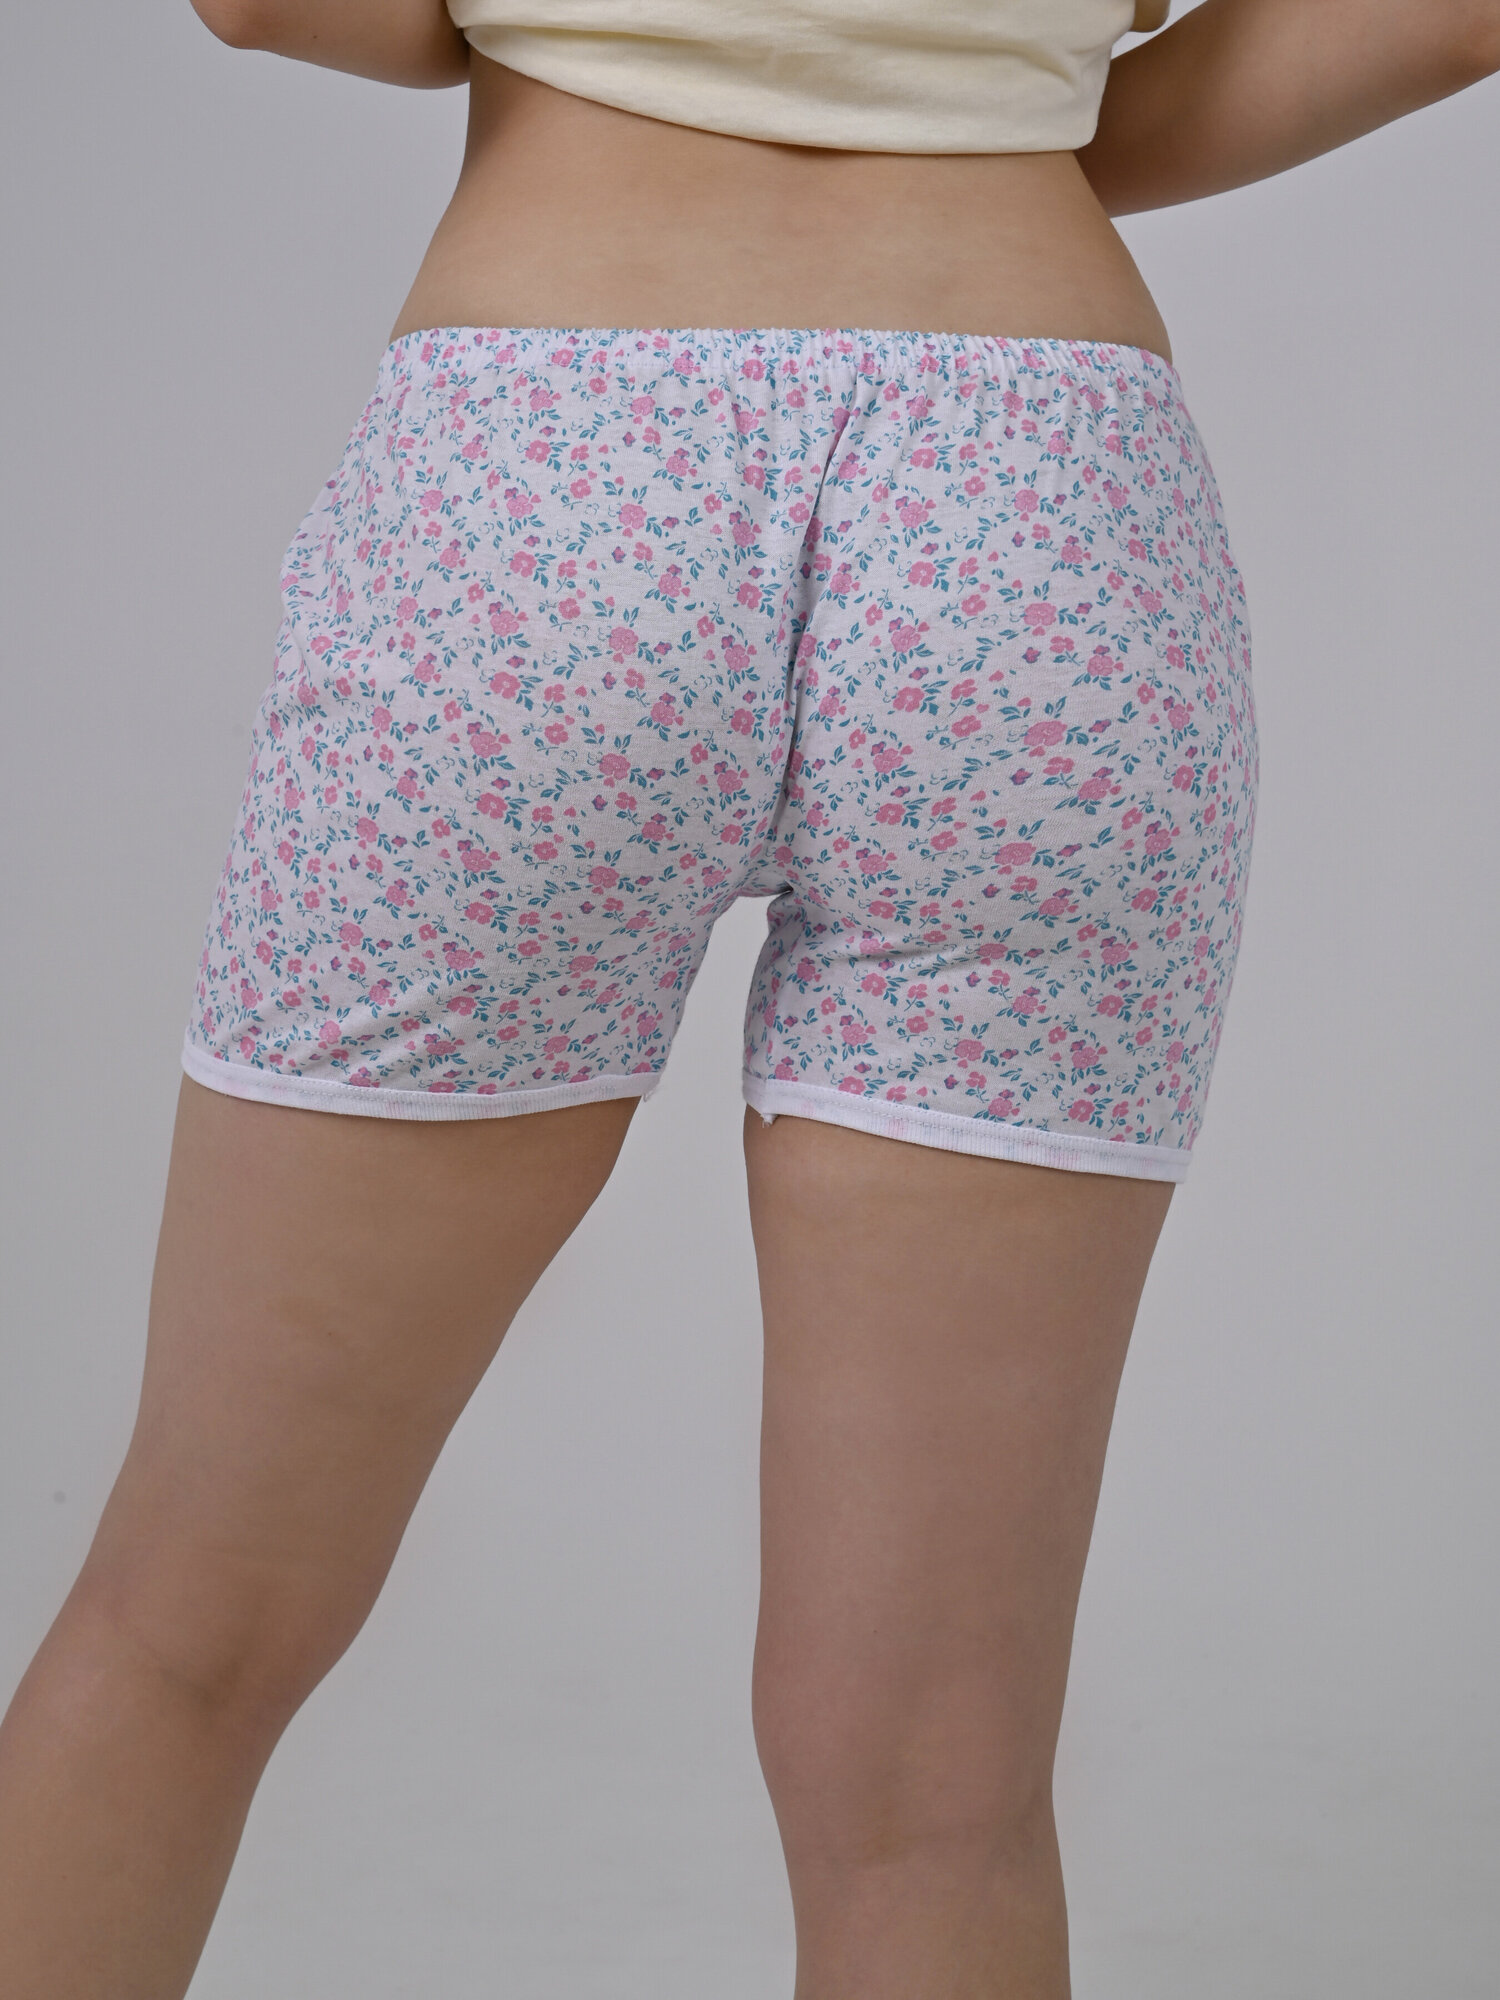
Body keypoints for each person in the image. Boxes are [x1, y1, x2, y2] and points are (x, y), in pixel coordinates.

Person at [0, 2, 1494, 1995]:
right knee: (941, 1790)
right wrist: (973, 100)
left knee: (188, 1623)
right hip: (1044, 513)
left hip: (551, 480)